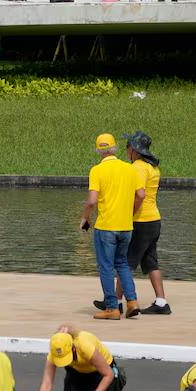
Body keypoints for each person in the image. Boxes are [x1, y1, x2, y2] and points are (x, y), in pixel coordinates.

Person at [81, 132, 138, 320]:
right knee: (122, 264)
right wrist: (130, 212)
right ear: (115, 148)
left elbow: (91, 201)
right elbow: (140, 195)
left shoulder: (97, 170)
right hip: (126, 226)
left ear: (98, 150)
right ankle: (132, 302)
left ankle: (112, 308)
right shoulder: (130, 169)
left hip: (106, 227)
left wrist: (85, 218)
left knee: (105, 266)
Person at [32, 324, 120, 391]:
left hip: (100, 372)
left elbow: (108, 375)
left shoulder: (85, 346)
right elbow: (47, 382)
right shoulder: (54, 352)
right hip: (77, 371)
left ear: (73, 347)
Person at [124, 131, 169, 314]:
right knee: (151, 262)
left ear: (134, 149)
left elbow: (140, 194)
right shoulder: (153, 167)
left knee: (126, 263)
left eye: (127, 147)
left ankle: (114, 301)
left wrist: (129, 213)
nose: (126, 151)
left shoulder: (138, 167)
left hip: (141, 221)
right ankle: (161, 302)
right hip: (154, 220)